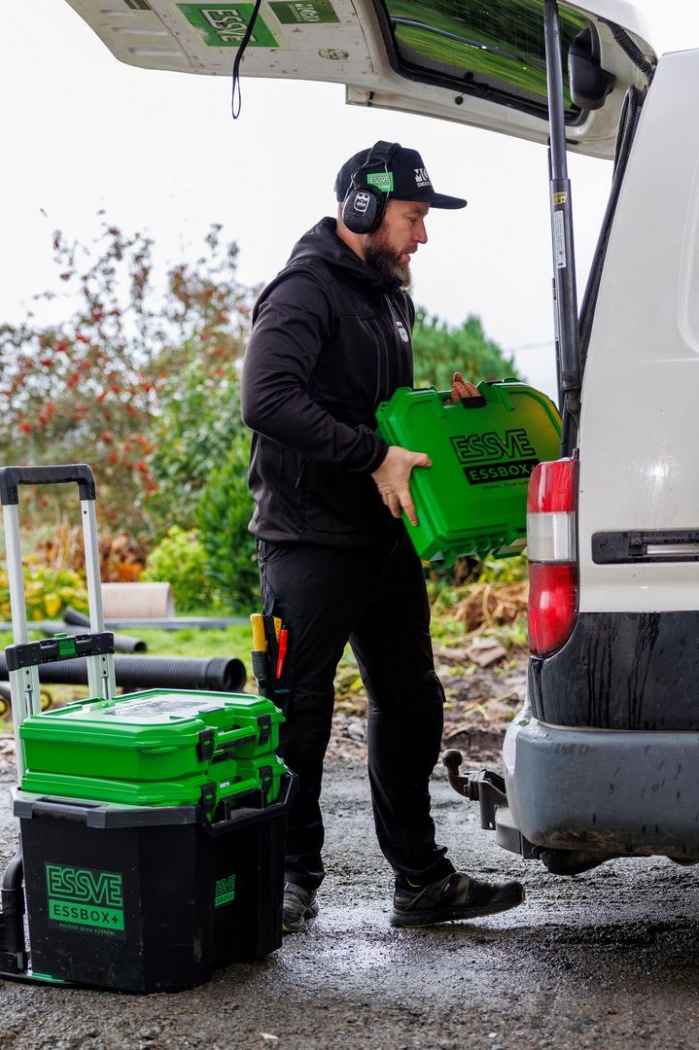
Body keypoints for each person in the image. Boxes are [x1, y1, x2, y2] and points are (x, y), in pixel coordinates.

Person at [240, 140, 525, 932]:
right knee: (297, 711)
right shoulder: (304, 291)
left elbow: (376, 407)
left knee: (411, 702)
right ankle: (288, 880)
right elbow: (266, 399)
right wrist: (372, 454)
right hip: (308, 542)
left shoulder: (387, 295)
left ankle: (420, 881)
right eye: (413, 218)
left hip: (384, 537)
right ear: (362, 209)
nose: (423, 237)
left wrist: (445, 411)